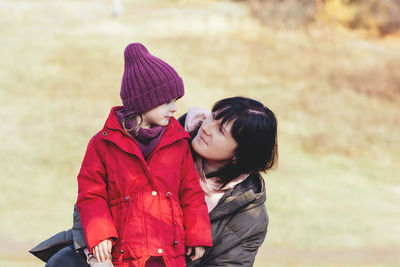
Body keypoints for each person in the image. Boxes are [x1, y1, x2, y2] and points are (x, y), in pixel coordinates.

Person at [30, 95, 277, 267]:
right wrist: (96, 252)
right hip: (115, 257)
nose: (207, 127)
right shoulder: (159, 144)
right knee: (63, 262)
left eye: (222, 130)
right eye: (213, 116)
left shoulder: (249, 216)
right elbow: (94, 193)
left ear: (239, 154)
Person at [31, 42, 214, 267]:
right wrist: (100, 235)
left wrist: (198, 234)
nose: (175, 108)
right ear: (144, 102)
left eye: (175, 101)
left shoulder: (178, 143)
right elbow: (91, 194)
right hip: (125, 257)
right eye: (167, 102)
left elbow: (191, 193)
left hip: (169, 256)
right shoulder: (103, 144)